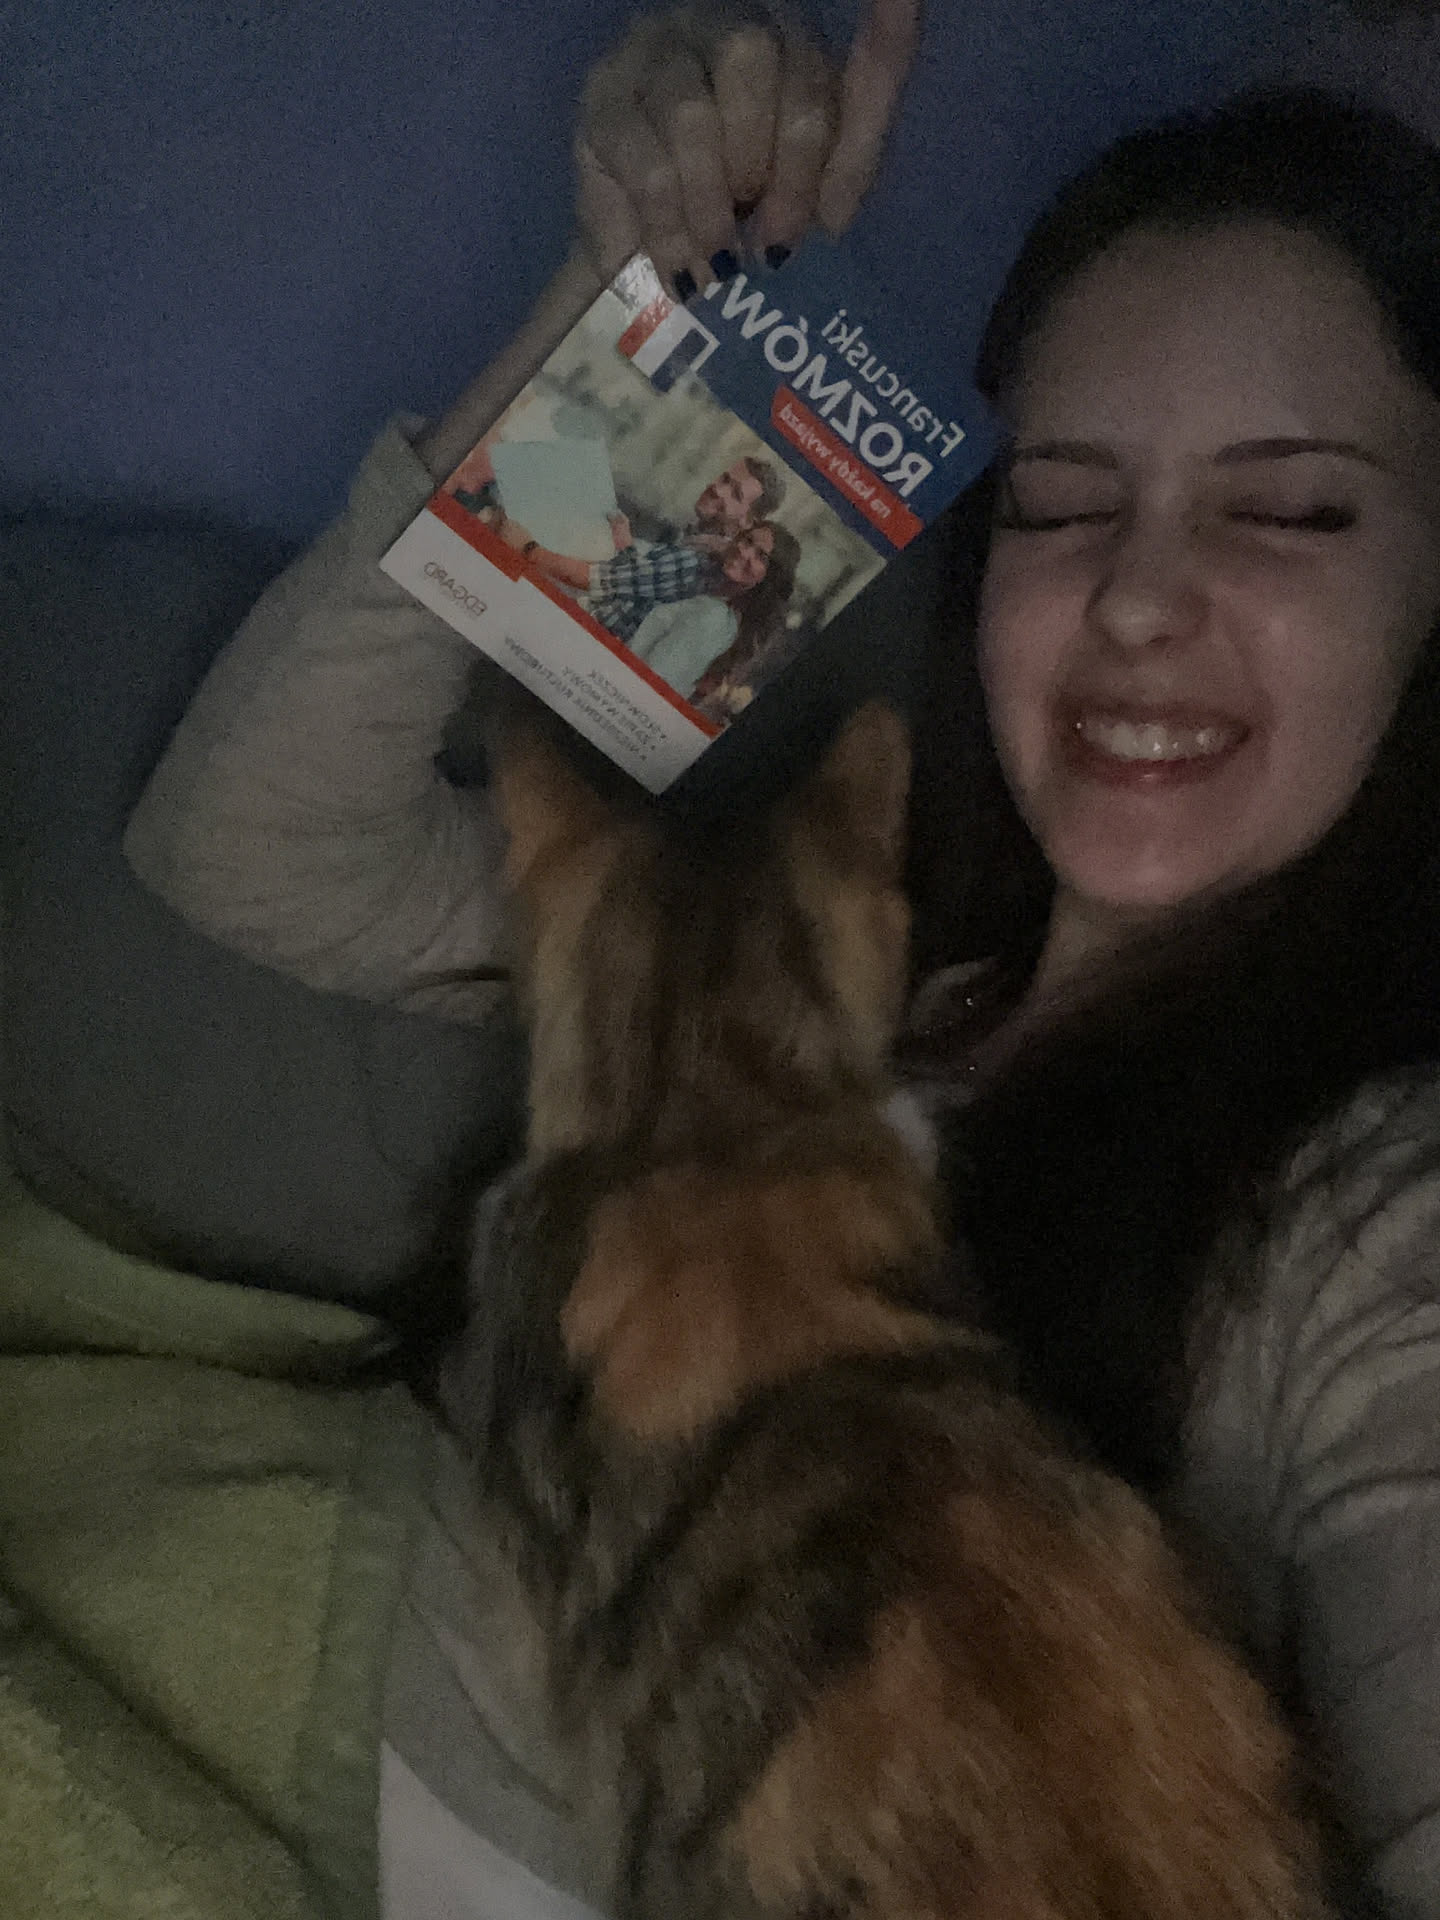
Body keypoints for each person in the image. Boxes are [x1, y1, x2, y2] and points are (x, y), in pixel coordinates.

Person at [107, 6, 1440, 1918]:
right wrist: (642, 319)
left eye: (1292, 508)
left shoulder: (1374, 1218)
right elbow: (249, 851)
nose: (1141, 598)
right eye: (1061, 502)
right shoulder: (828, 956)